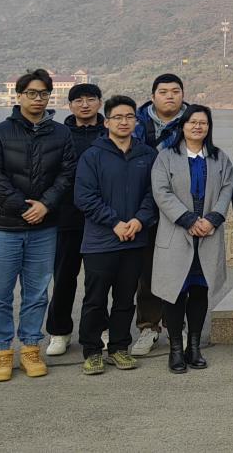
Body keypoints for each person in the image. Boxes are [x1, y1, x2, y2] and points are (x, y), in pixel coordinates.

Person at [0, 68, 76, 382]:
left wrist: (45, 205)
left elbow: (67, 174)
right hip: (4, 226)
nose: (38, 99)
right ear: (19, 96)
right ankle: (1, 352)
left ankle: (31, 348)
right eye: (32, 93)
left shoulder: (61, 134)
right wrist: (25, 208)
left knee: (36, 293)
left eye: (44, 93)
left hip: (44, 228)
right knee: (0, 294)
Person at [74, 95, 159, 375]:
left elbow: (154, 193)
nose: (124, 122)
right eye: (118, 117)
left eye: (129, 117)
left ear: (136, 121)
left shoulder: (147, 155)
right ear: (107, 122)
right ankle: (92, 350)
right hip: (100, 241)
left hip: (135, 239)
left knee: (125, 298)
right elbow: (84, 197)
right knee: (95, 299)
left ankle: (119, 348)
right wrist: (115, 223)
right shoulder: (93, 155)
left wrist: (138, 220)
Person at [151, 105, 233, 373]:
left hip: (207, 235)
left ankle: (194, 347)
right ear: (183, 126)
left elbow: (227, 189)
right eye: (192, 122)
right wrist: (187, 219)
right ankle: (176, 349)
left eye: (203, 123)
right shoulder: (166, 156)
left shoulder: (219, 158)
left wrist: (213, 218)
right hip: (177, 233)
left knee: (200, 291)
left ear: (209, 127)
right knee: (175, 293)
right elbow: (161, 192)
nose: (198, 127)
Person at [129, 73, 188, 357]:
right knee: (148, 270)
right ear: (152, 96)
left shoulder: (194, 120)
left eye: (175, 91)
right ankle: (148, 327)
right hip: (144, 206)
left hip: (181, 207)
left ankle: (178, 324)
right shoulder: (136, 123)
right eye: (163, 92)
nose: (170, 96)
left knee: (180, 268)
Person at [45, 82, 105, 358]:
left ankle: (99, 329)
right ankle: (59, 332)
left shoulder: (109, 133)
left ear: (99, 102)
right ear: (69, 105)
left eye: (90, 99)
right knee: (63, 278)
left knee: (99, 280)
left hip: (101, 220)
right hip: (66, 219)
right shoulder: (58, 134)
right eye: (78, 100)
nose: (85, 104)